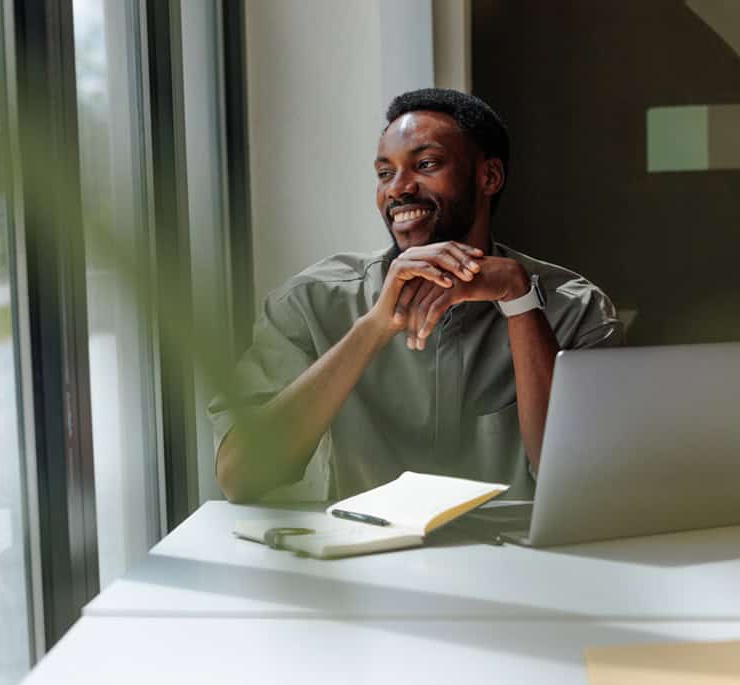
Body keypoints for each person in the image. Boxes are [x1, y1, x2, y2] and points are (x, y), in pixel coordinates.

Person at [210, 89, 622, 504]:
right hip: (366, 565)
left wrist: (519, 303)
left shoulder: (575, 309)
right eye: (385, 173)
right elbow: (242, 477)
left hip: (523, 563)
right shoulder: (310, 303)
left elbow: (582, 484)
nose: (399, 189)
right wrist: (371, 328)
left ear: (489, 177)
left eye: (425, 165)